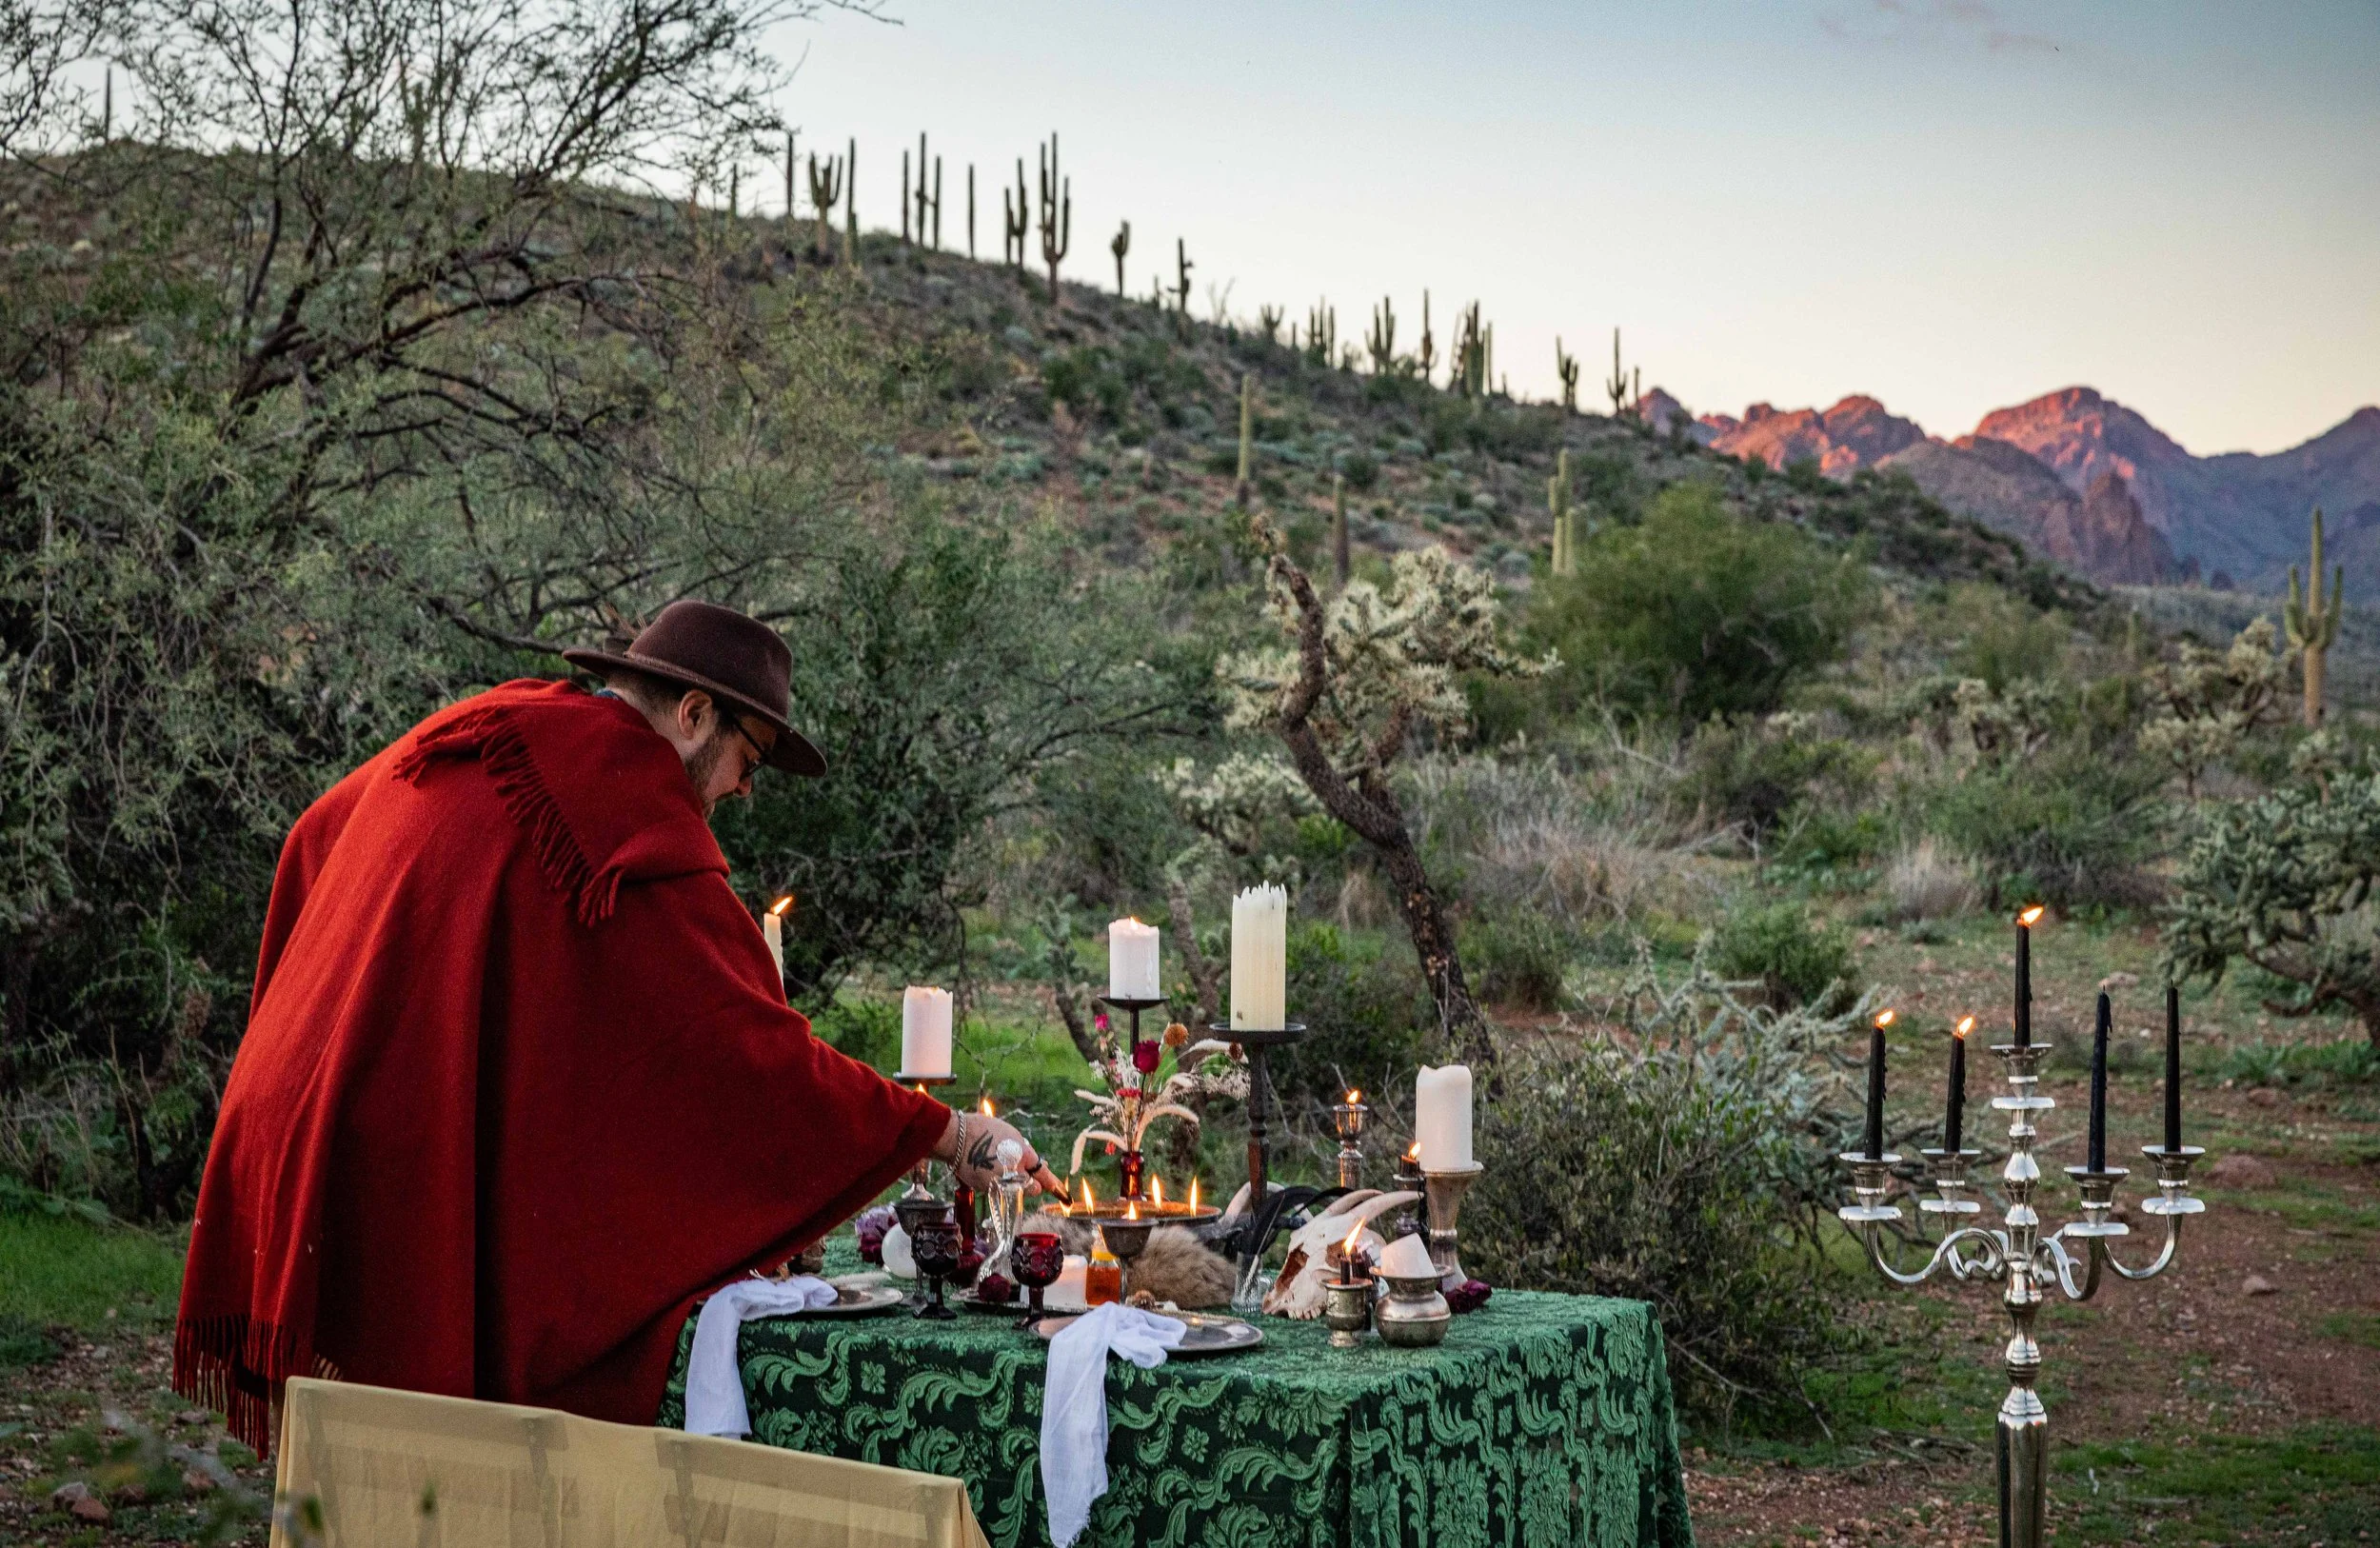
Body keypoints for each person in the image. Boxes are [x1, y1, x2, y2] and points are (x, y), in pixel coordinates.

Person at [173, 601, 1060, 1450]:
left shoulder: (507, 722)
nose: (747, 789)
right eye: (749, 756)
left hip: (295, 1118)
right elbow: (753, 1064)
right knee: (438, 1463)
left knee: (358, 1464)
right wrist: (949, 1131)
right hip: (383, 1145)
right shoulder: (624, 804)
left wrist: (323, 1016)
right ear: (692, 712)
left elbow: (312, 834)